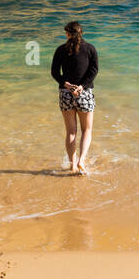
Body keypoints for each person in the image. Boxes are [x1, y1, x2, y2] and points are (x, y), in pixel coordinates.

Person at [51, 21, 98, 174]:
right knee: (86, 130)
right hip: (84, 93)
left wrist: (67, 85)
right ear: (81, 33)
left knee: (71, 132)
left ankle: (72, 164)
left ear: (67, 34)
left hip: (66, 93)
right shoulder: (90, 49)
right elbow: (94, 71)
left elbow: (54, 72)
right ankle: (81, 160)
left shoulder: (60, 50)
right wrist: (82, 86)